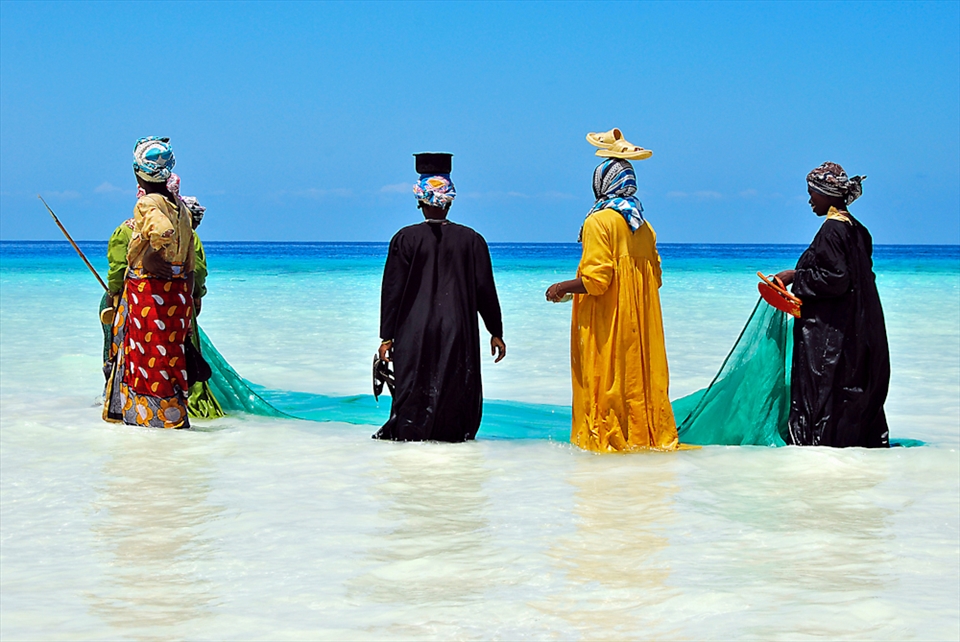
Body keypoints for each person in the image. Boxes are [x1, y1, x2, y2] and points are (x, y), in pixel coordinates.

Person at [546, 143, 678, 452]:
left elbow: (596, 281)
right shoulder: (644, 227)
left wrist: (562, 287)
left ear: (600, 184)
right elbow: (654, 279)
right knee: (637, 379)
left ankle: (607, 446)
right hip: (640, 325)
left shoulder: (598, 222)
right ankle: (643, 439)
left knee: (606, 380)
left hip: (609, 322)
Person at [375, 152, 506, 442]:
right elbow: (486, 289)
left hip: (414, 329)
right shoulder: (472, 240)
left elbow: (392, 291)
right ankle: (453, 448)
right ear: (450, 199)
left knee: (413, 388)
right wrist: (495, 331)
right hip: (458, 328)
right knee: (456, 386)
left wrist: (386, 336)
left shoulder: (404, 239)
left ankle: (411, 445)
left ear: (420, 201)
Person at [775, 162, 889, 448]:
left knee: (823, 389)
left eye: (813, 192)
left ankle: (818, 449)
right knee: (850, 389)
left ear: (827, 194)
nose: (810, 199)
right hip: (860, 327)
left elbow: (835, 278)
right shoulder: (858, 230)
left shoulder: (831, 230)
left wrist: (793, 276)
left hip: (830, 334)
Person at [103, 137, 196, 429]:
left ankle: (149, 421)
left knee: (146, 361)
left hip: (150, 296)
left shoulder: (147, 204)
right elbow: (191, 258)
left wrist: (155, 254)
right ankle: (174, 417)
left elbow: (162, 231)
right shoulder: (179, 208)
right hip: (176, 296)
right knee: (169, 360)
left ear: (136, 172)